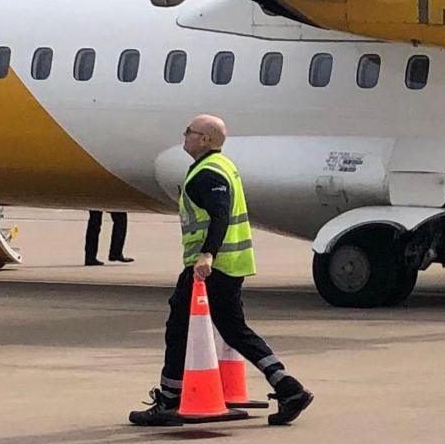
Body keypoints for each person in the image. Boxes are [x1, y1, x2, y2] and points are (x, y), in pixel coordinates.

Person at [129, 115, 313, 426]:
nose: (184, 135)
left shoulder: (208, 174)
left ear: (205, 140)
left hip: (211, 268)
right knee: (233, 330)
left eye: (190, 132)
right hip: (230, 264)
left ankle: (170, 400)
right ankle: (287, 386)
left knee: (178, 327)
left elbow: (220, 216)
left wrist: (207, 255)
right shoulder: (221, 166)